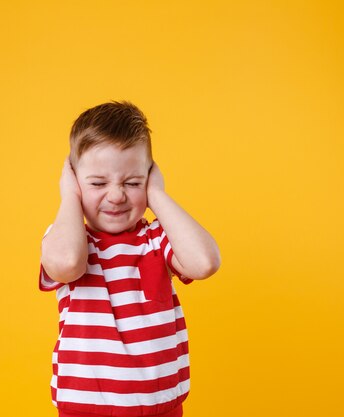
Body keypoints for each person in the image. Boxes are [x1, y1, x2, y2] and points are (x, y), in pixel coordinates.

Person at [39, 101, 220, 417]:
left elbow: (205, 262)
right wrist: (68, 196)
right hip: (86, 407)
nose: (116, 195)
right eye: (97, 183)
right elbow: (68, 263)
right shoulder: (68, 238)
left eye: (133, 183)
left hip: (161, 405)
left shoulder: (156, 239)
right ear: (74, 181)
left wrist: (158, 196)